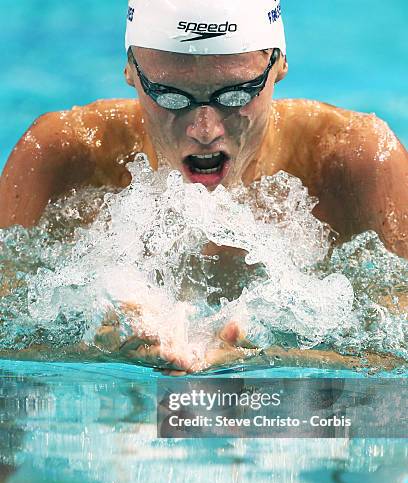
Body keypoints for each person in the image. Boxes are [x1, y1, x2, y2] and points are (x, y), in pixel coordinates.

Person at [0, 0, 407, 374]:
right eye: (170, 96)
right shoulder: (62, 156)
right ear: (129, 70)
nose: (205, 131)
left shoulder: (354, 161)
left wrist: (266, 359)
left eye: (236, 94)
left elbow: (396, 380)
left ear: (279, 63)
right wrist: (94, 346)